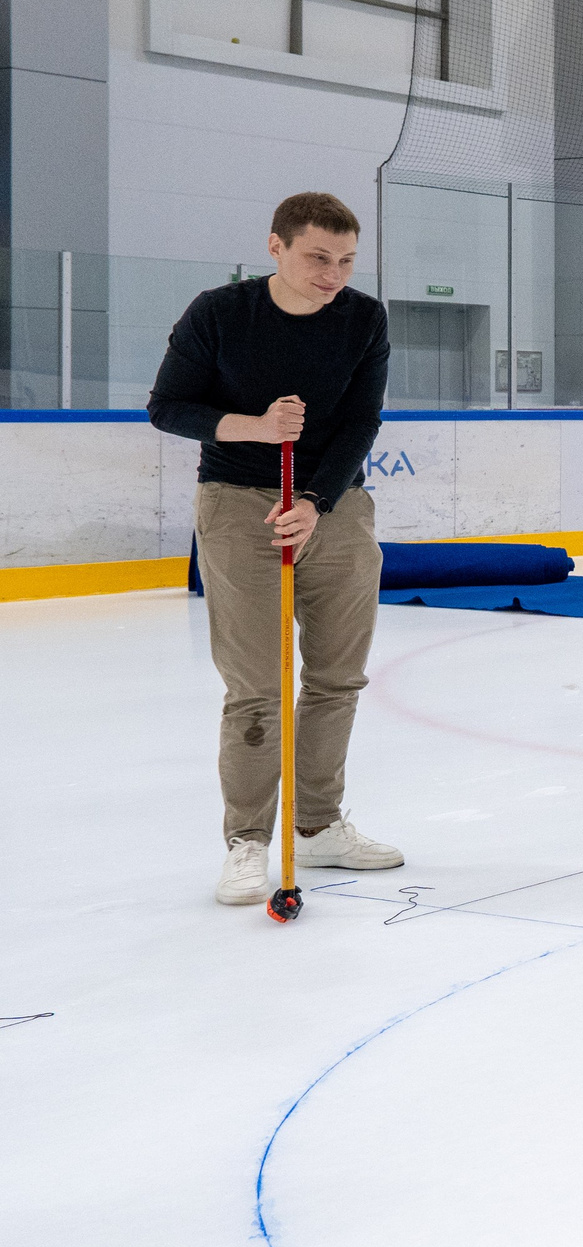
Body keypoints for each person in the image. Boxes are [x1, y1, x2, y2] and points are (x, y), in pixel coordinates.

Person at [148, 191, 401, 904]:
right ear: (276, 247)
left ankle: (318, 827)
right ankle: (248, 841)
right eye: (318, 257)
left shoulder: (363, 319)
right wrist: (255, 428)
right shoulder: (220, 313)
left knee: (336, 679)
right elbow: (168, 407)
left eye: (346, 261)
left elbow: (362, 419)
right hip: (238, 506)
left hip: (333, 504)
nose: (333, 275)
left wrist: (318, 502)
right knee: (257, 688)